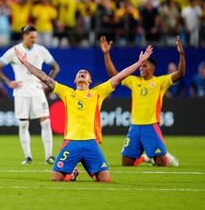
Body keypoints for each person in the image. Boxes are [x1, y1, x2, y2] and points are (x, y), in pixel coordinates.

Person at [13, 44, 154, 182]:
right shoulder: (67, 92)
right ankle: (72, 173)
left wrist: (139, 62)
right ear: (75, 80)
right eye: (79, 73)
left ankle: (86, 169)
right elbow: (45, 78)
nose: (82, 73)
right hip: (71, 142)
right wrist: (25, 63)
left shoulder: (98, 93)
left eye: (85, 73)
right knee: (55, 178)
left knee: (105, 179)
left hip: (90, 143)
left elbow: (119, 76)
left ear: (90, 80)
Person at [99, 35, 185, 167]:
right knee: (126, 163)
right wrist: (106, 53)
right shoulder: (134, 81)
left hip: (151, 125)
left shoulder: (160, 82)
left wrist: (181, 54)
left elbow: (180, 73)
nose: (141, 68)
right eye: (141, 66)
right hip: (134, 126)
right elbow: (114, 74)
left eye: (144, 66)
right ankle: (145, 158)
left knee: (162, 164)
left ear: (152, 68)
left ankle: (167, 157)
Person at [0, 26, 60, 165]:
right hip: (21, 90)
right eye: (31, 37)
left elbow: (56, 67)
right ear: (24, 36)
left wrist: (47, 83)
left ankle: (49, 156)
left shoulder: (41, 50)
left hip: (37, 90)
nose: (34, 40)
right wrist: (8, 82)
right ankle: (28, 156)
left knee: (46, 122)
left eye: (35, 37)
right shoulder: (14, 51)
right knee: (23, 124)